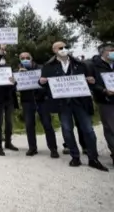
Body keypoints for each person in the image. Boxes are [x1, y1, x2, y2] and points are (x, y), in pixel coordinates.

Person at [39, 41, 107, 171]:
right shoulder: (48, 66)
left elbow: (90, 81)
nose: (64, 49)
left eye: (66, 47)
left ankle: (93, 158)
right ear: (54, 50)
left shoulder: (80, 64)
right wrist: (41, 82)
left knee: (89, 130)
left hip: (80, 102)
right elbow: (44, 84)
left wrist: (91, 81)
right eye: (60, 48)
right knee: (67, 130)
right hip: (62, 104)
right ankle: (75, 156)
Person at [17, 51, 59, 158]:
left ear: (31, 58)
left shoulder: (41, 68)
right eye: (22, 58)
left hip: (42, 99)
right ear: (20, 60)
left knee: (47, 124)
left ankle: (53, 148)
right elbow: (15, 86)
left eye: (27, 57)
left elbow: (49, 82)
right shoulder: (17, 70)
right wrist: (16, 79)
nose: (25, 59)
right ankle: (32, 148)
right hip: (27, 100)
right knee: (29, 125)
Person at [85, 42, 114, 166]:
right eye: (111, 50)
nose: (113, 52)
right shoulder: (93, 65)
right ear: (103, 52)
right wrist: (103, 91)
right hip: (106, 100)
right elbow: (92, 83)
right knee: (111, 128)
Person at [0, 44, 19, 151]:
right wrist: (1, 50)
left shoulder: (13, 64)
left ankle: (8, 142)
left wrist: (15, 82)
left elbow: (17, 79)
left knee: (9, 122)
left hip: (10, 97)